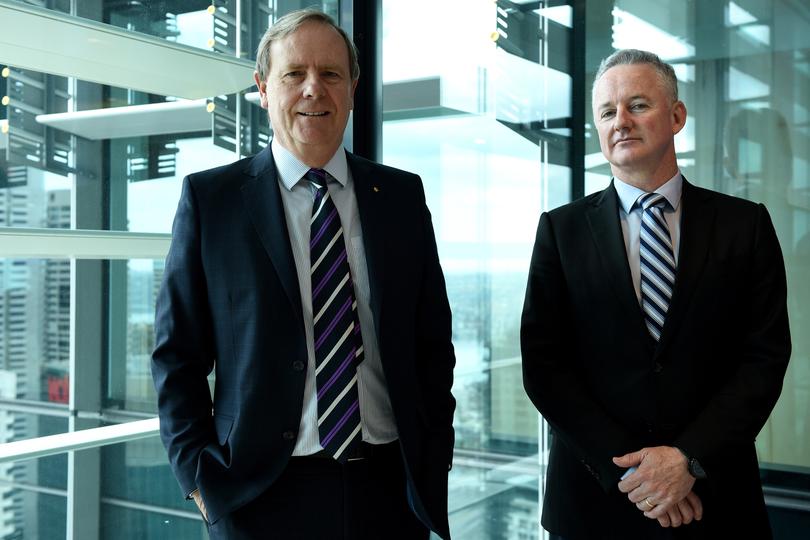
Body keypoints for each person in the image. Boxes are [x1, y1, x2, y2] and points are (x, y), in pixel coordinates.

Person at [151, 9, 455, 539]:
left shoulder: (401, 196)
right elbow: (176, 357)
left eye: (332, 74)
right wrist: (201, 484)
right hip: (256, 493)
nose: (315, 89)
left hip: (388, 488)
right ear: (264, 88)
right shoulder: (212, 201)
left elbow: (432, 344)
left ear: (354, 89)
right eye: (295, 74)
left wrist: (435, 457)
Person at [520, 49, 791, 539]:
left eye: (638, 105)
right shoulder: (560, 232)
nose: (620, 121)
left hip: (714, 499)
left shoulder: (744, 225)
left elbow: (764, 359)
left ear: (677, 116)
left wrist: (688, 460)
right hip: (595, 503)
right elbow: (544, 365)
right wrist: (637, 475)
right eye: (607, 112)